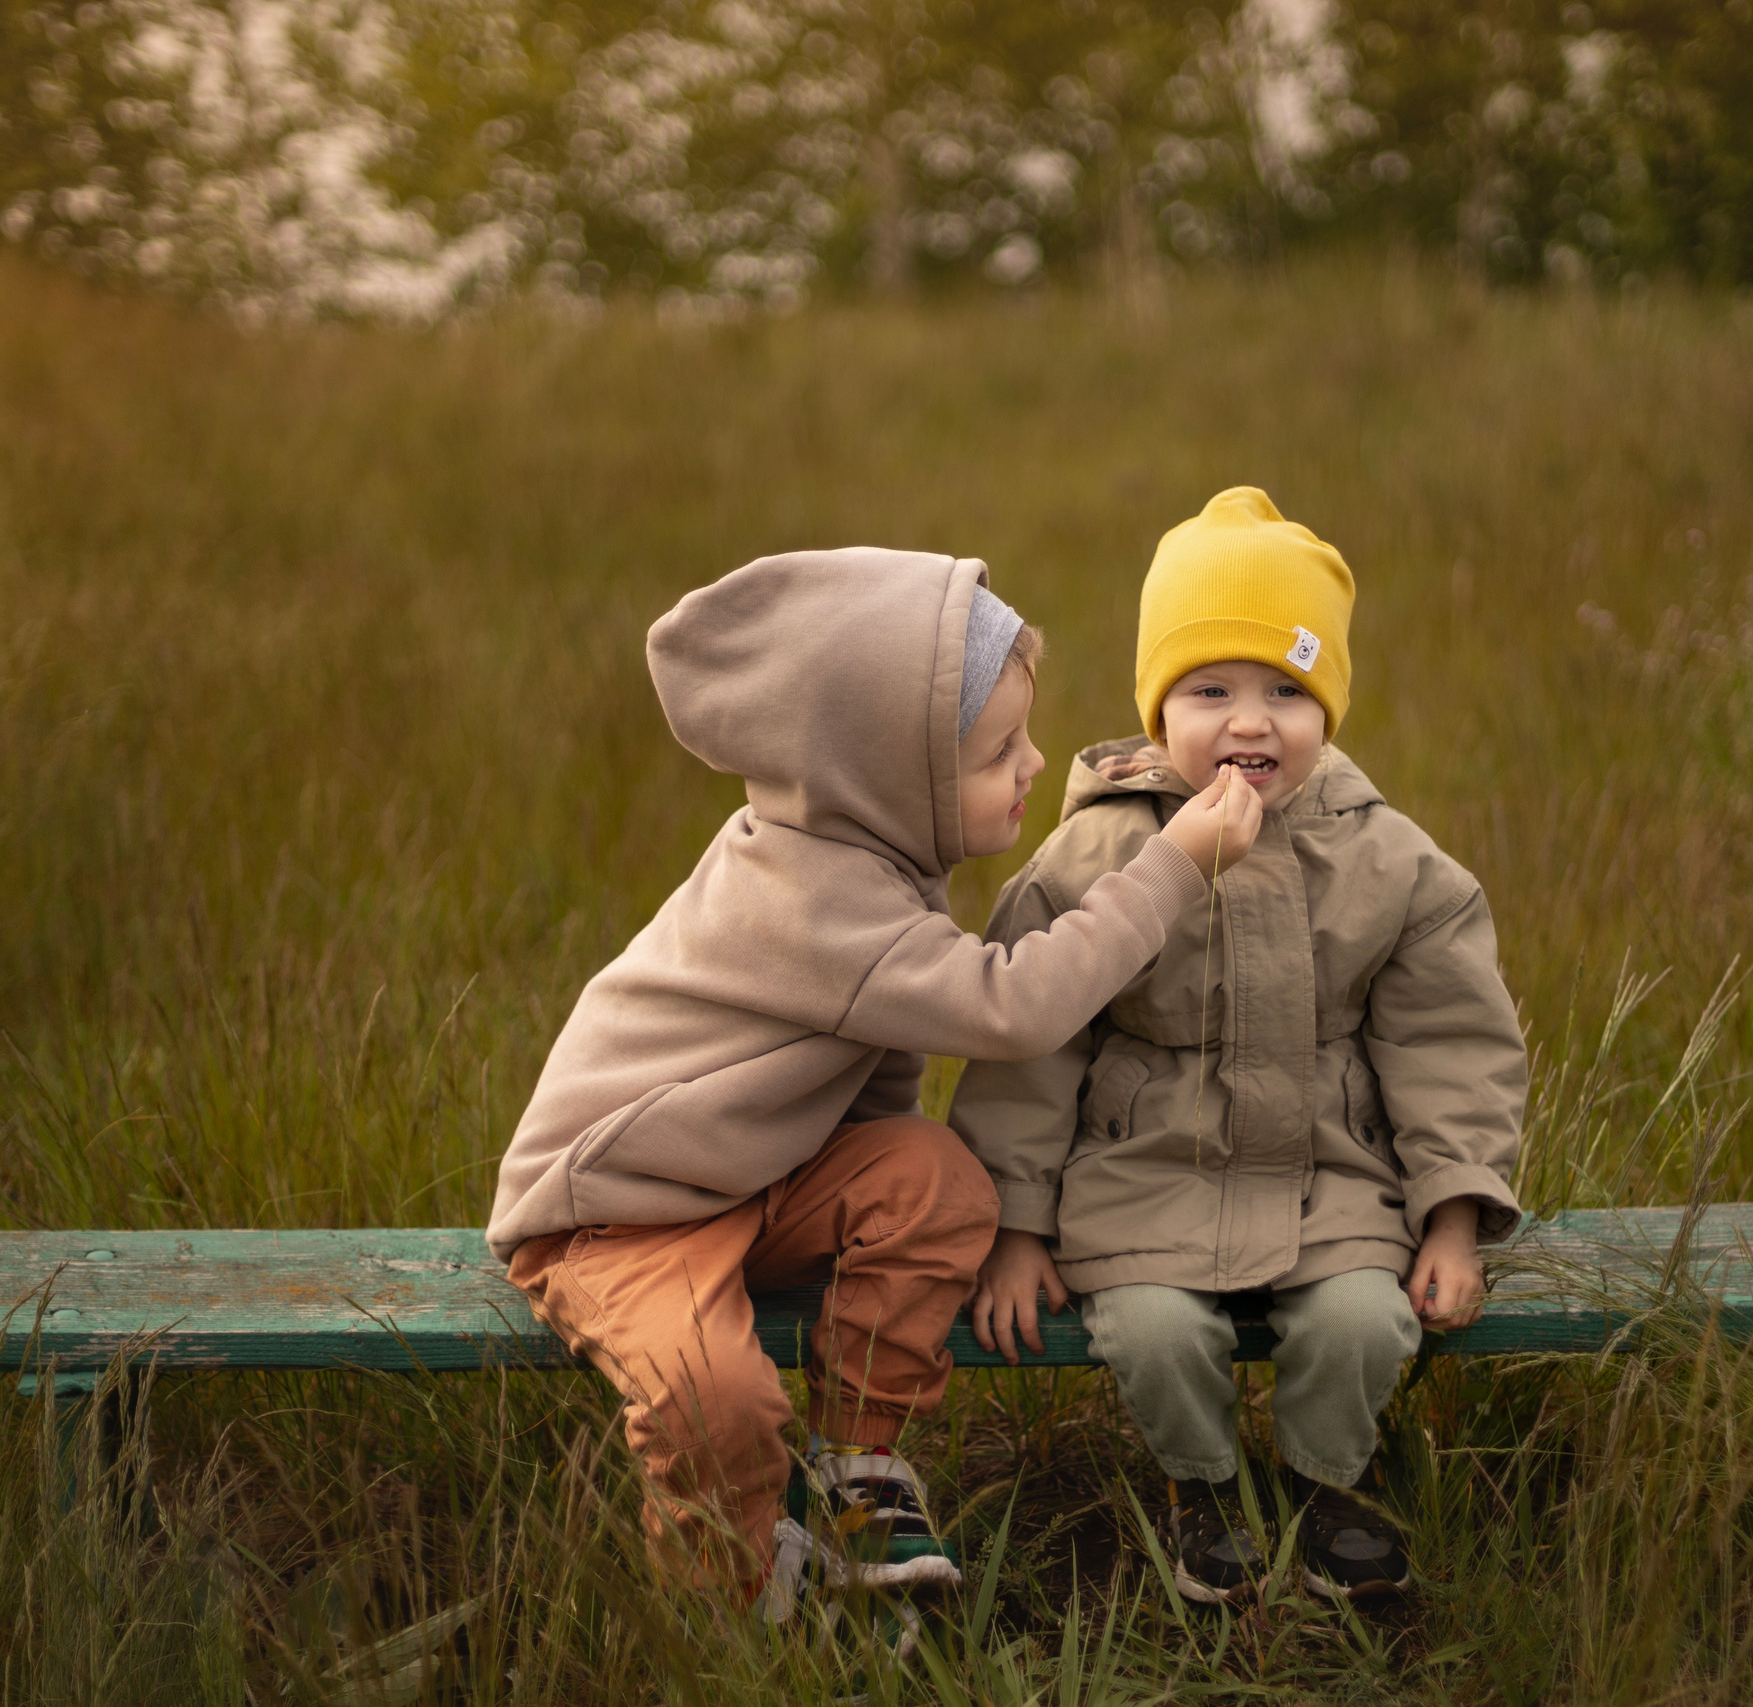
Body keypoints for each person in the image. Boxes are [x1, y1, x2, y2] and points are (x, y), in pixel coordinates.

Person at [485, 547, 1261, 1623]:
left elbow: (870, 1074)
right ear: (890, 777)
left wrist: (876, 1205)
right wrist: (1172, 864)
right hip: (621, 1216)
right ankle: (738, 1606)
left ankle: (858, 1468)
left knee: (935, 1179)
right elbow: (1017, 1007)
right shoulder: (813, 896)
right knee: (713, 1397)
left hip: (746, 1177)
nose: (1035, 765)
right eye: (999, 753)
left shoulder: (865, 856)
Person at [951, 489, 1529, 1603]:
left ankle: (1325, 1484)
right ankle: (1201, 1488)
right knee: (1157, 1334)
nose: (1249, 722)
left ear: (1332, 709)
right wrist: (1018, 1227)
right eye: (1209, 691)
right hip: (1145, 1175)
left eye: (1287, 692)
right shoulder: (1092, 856)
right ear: (1158, 709)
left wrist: (1451, 1213)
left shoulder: (1389, 860)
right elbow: (1030, 1047)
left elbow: (1448, 1042)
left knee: (1365, 1321)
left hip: (1334, 1175)